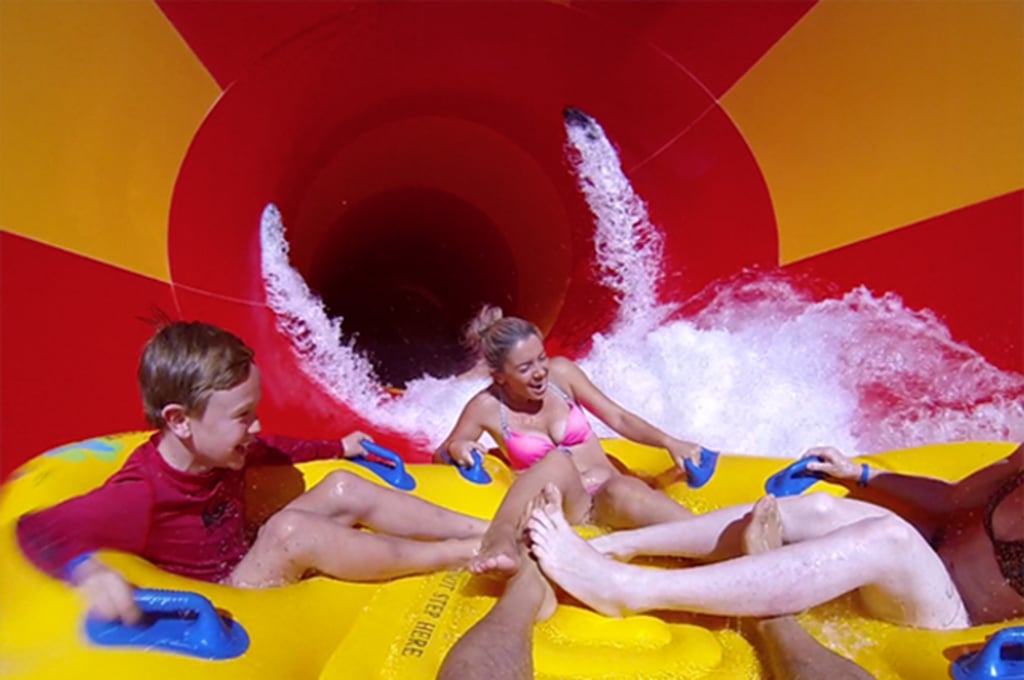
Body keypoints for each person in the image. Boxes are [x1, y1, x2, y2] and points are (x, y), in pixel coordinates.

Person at [16, 321, 488, 624]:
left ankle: (486, 530)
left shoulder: (221, 451)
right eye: (242, 416)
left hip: (242, 555)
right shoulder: (141, 493)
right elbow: (37, 527)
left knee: (341, 484)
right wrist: (87, 570)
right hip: (234, 596)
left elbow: (274, 447)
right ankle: (457, 554)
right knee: (289, 530)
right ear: (180, 420)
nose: (255, 425)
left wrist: (335, 446)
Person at [526, 441, 1024, 630]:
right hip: (924, 568)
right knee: (826, 508)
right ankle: (615, 545)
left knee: (890, 539)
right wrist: (861, 475)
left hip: (949, 614)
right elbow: (953, 499)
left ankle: (627, 589)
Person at [434, 307, 706, 576]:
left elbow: (618, 417)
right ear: (500, 376)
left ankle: (722, 547)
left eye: (541, 358)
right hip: (573, 511)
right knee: (557, 461)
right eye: (525, 368)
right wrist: (458, 448)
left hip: (612, 493)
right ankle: (500, 536)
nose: (540, 372)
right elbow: (442, 454)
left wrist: (670, 442)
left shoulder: (562, 375)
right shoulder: (486, 407)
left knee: (624, 490)